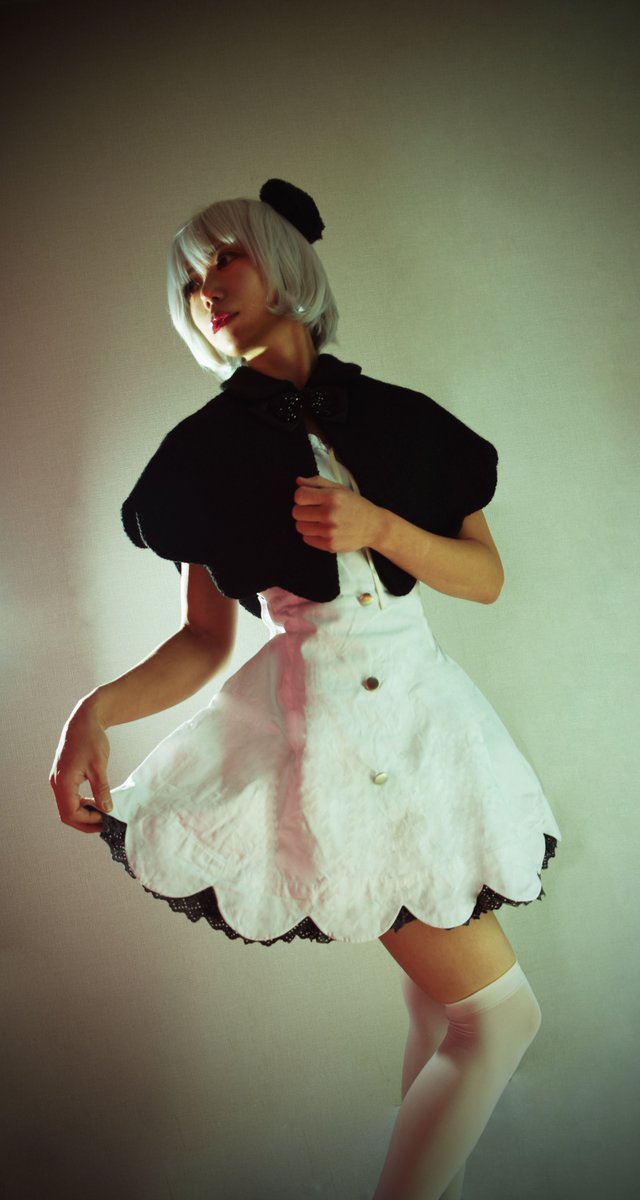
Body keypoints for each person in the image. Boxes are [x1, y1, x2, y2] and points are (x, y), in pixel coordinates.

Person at [50, 179, 562, 1200]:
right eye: (188, 281)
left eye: (223, 261)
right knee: (501, 1017)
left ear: (284, 262)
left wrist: (381, 528)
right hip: (336, 739)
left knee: (441, 1014)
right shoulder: (201, 456)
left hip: (429, 723)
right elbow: (203, 641)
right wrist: (89, 716)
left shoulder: (400, 420)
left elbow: (485, 578)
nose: (205, 290)